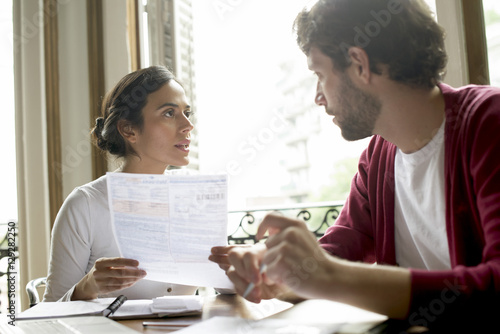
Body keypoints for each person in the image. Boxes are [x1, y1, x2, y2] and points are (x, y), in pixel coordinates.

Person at [210, 0, 500, 330]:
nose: (318, 96)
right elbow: (338, 252)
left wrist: (325, 274)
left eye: (320, 74)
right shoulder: (378, 157)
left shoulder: (488, 122)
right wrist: (278, 273)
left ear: (360, 64)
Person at [43, 65, 197, 301]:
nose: (188, 126)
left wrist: (236, 268)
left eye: (187, 113)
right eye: (169, 113)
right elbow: (48, 317)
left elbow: (225, 283)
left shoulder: (193, 200)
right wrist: (87, 287)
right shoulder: (85, 206)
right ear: (128, 129)